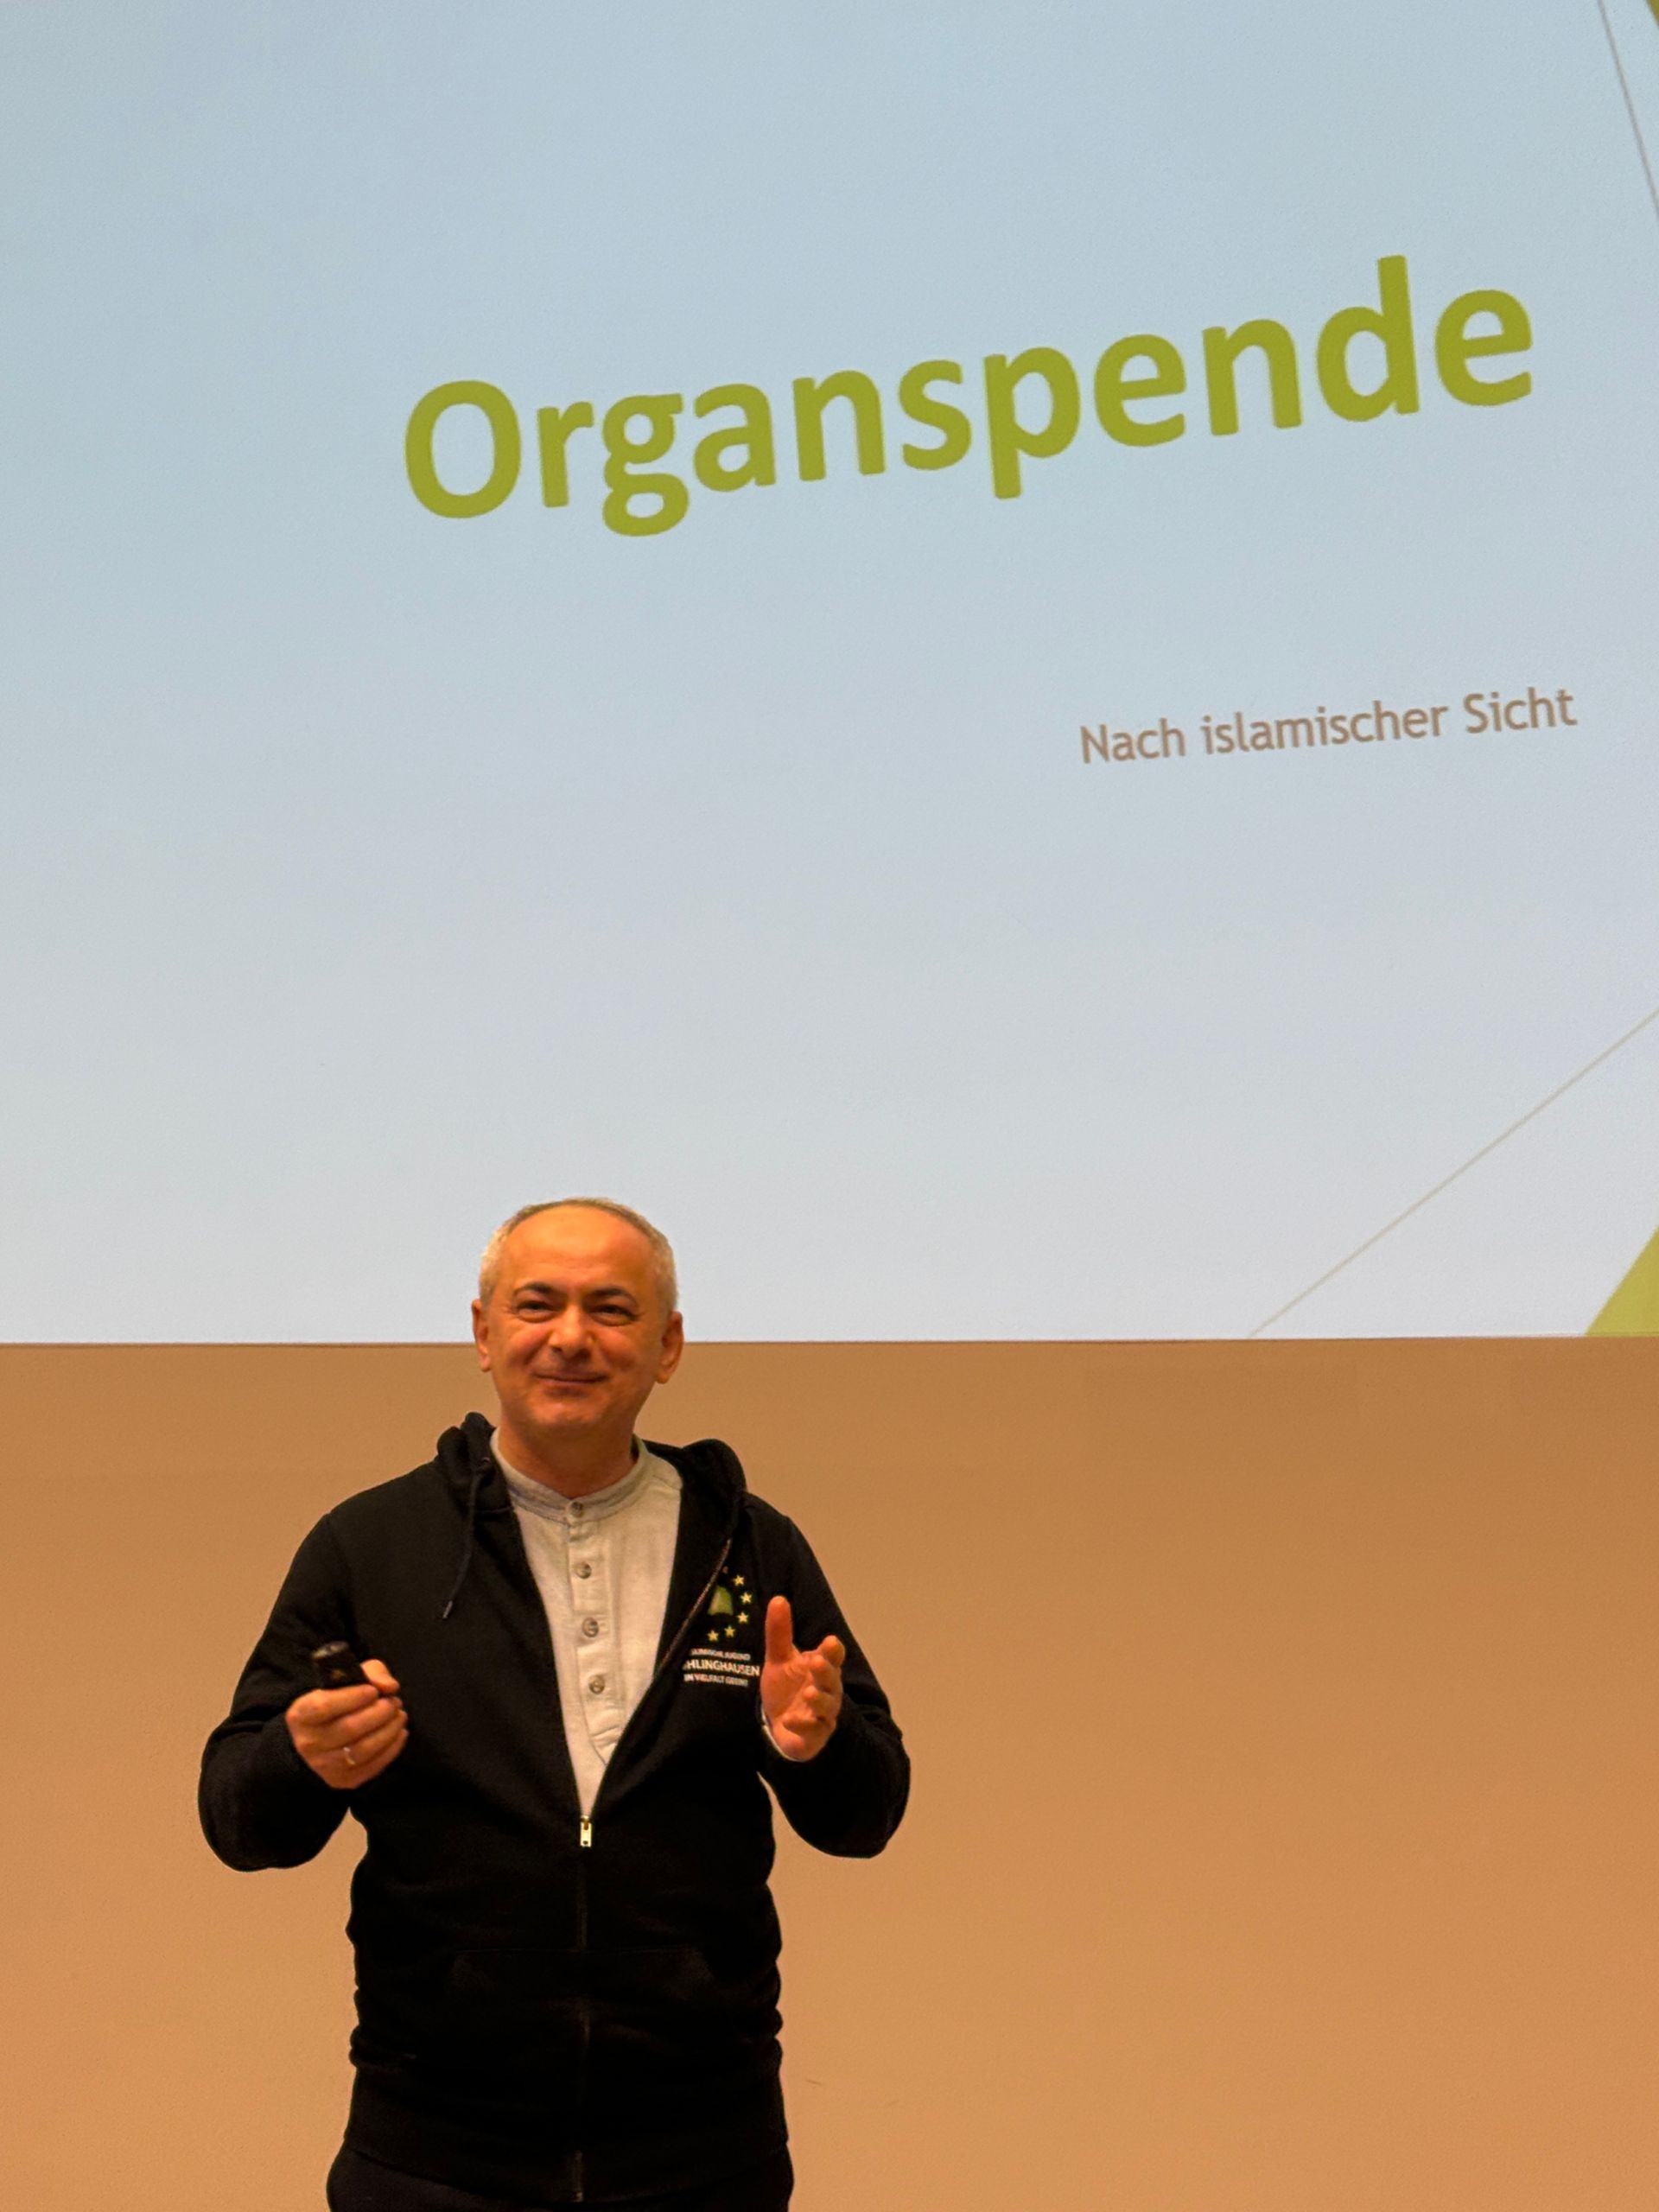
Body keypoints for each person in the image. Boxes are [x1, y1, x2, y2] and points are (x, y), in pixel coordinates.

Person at [199, 1198, 909, 2211]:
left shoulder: (748, 1545)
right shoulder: (371, 1545)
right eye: (537, 1305)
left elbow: (867, 1814)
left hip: (706, 2150)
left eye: (611, 1310)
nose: (571, 1337)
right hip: (431, 2155)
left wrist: (815, 1743)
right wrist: (299, 1759)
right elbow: (237, 1819)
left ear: (668, 1346)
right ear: (484, 1333)